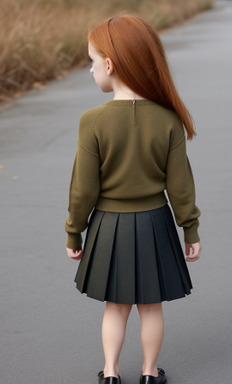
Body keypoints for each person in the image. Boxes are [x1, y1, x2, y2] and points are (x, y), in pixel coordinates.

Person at [65, 14, 201, 384]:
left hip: (109, 226)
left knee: (116, 306)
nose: (92, 71)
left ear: (109, 65)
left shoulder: (92, 120)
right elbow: (181, 185)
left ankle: (110, 374)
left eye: (92, 63)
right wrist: (190, 229)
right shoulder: (169, 120)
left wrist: (73, 233)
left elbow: (83, 190)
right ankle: (149, 372)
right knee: (151, 306)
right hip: (156, 222)